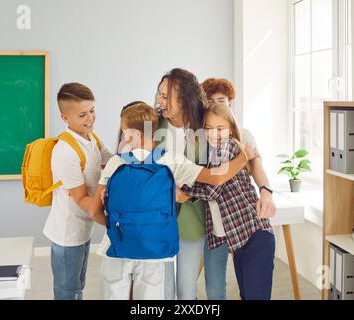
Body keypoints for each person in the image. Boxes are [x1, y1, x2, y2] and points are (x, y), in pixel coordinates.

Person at [89, 102, 253, 299]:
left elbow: (94, 211)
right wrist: (244, 158)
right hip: (155, 251)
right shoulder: (170, 159)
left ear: (135, 135)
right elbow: (216, 177)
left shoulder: (116, 162)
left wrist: (118, 226)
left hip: (116, 246)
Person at [179, 103, 276, 300]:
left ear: (231, 129)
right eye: (208, 128)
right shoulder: (212, 154)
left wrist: (185, 192)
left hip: (255, 236)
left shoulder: (227, 148)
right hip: (241, 241)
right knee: (248, 295)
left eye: (220, 129)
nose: (213, 134)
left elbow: (212, 189)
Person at [42, 83, 112, 300]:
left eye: (92, 110)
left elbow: (113, 162)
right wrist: (116, 224)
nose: (90, 118)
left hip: (83, 229)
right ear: (65, 118)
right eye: (82, 114)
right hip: (67, 235)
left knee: (78, 286)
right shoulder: (64, 152)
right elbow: (83, 199)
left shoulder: (92, 138)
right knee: (67, 292)